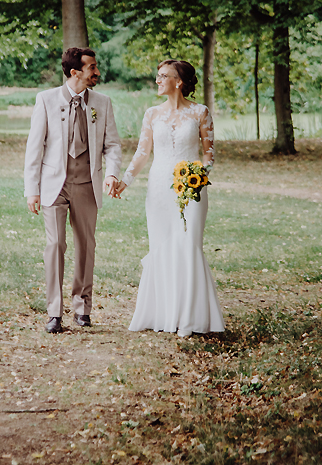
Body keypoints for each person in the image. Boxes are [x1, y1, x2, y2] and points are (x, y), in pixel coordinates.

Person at [114, 59, 225, 336]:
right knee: (161, 245)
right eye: (158, 75)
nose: (157, 80)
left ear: (179, 81)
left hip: (192, 188)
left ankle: (190, 317)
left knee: (188, 245)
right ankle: (162, 314)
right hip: (159, 187)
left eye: (163, 76)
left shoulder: (201, 112)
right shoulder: (152, 114)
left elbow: (209, 154)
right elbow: (142, 153)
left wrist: (198, 175)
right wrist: (124, 181)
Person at [24, 48, 123, 333]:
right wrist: (33, 189)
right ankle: (54, 312)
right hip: (54, 184)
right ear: (74, 72)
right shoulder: (46, 100)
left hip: (86, 184)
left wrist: (112, 172)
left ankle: (82, 307)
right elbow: (35, 147)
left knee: (86, 246)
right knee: (55, 245)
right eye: (92, 67)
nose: (97, 72)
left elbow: (112, 145)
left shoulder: (102, 103)